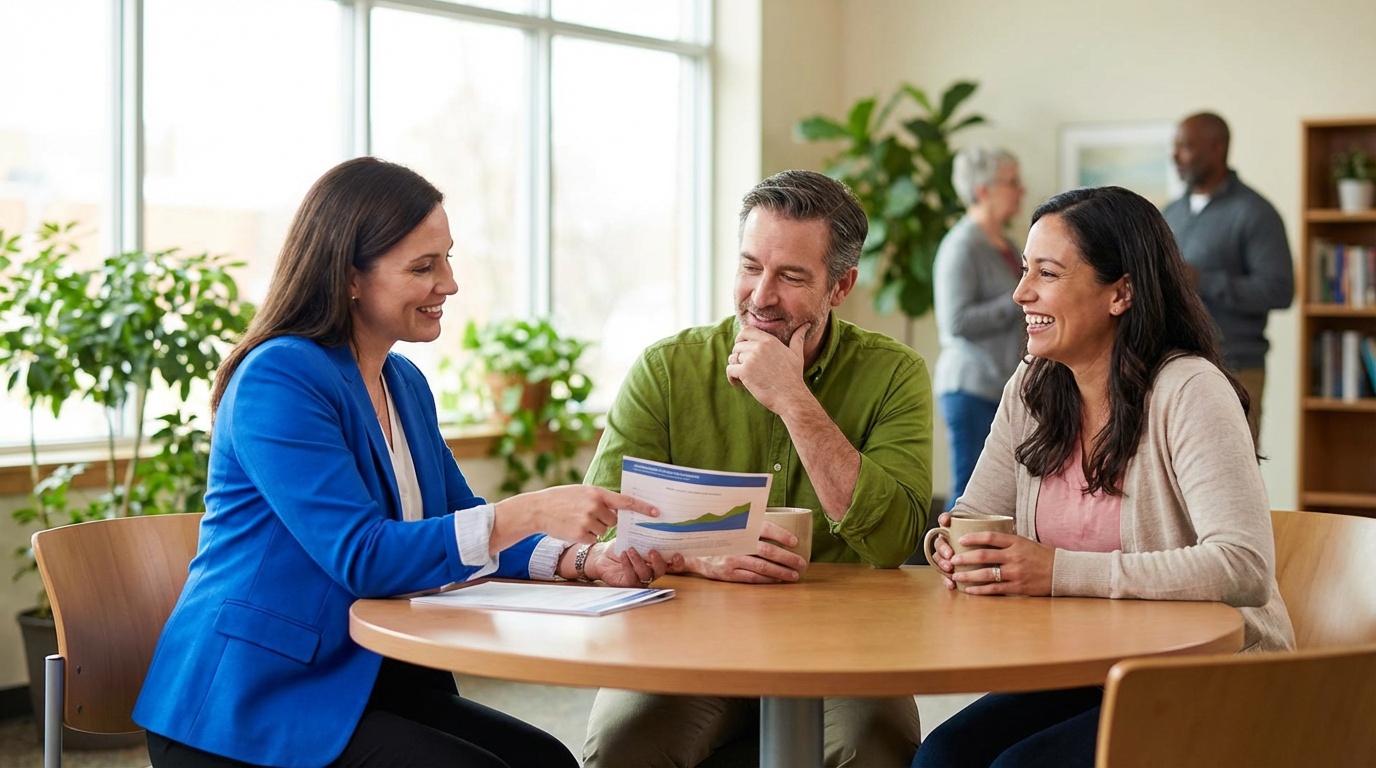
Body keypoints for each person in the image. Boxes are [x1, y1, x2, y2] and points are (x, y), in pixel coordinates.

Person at [132, 156, 678, 768]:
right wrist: (528, 511)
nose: (449, 282)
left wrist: (583, 560)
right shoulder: (279, 378)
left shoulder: (403, 381)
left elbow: (460, 518)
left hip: (364, 681)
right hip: (253, 702)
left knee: (544, 760)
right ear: (349, 278)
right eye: (423, 266)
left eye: (448, 257)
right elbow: (363, 556)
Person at [912, 186, 1295, 768]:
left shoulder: (1189, 391)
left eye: (1047, 273)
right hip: (1085, 667)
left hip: (1208, 677)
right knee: (942, 755)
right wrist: (951, 546)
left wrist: (1058, 571)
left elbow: (1244, 566)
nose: (1021, 294)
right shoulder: (1033, 385)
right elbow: (970, 512)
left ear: (1121, 293)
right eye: (1024, 271)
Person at [581, 169, 933, 767]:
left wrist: (793, 399)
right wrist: (699, 555)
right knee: (623, 745)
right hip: (685, 641)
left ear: (840, 286)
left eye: (791, 276)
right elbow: (598, 527)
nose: (761, 296)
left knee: (874, 744)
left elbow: (894, 540)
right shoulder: (667, 370)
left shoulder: (893, 374)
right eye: (750, 266)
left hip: (844, 649)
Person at [1163, 111, 1294, 447]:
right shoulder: (1172, 213)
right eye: (1175, 147)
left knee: (1230, 479)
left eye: (1186, 147)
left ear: (1217, 149)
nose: (1175, 156)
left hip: (1235, 369)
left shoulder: (1255, 213)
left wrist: (1202, 281)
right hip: (1172, 367)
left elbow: (1279, 290)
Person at [934, 146, 1026, 511]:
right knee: (970, 495)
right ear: (983, 190)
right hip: (971, 388)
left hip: (1002, 386)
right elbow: (956, 321)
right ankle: (948, 566)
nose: (1021, 189)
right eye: (1012, 182)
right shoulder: (961, 246)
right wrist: (1016, 298)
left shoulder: (1008, 244)